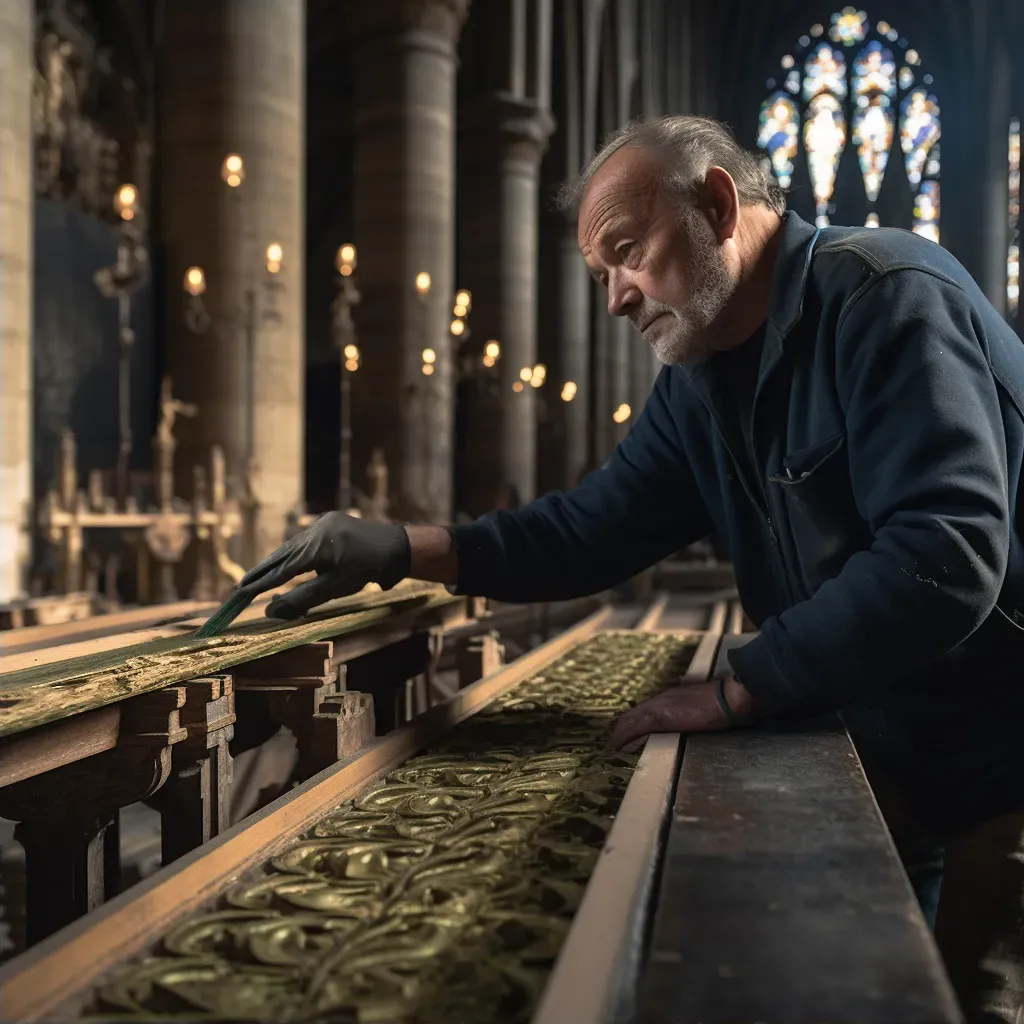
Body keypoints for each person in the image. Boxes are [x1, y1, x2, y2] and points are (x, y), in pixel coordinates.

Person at [228, 115, 1024, 1019]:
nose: (615, 297)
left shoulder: (885, 297)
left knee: (977, 996)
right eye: (600, 273)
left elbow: (945, 555)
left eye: (627, 252)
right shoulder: (704, 375)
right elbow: (591, 529)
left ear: (717, 205)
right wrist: (405, 549)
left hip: (1000, 759)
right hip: (880, 739)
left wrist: (738, 687)